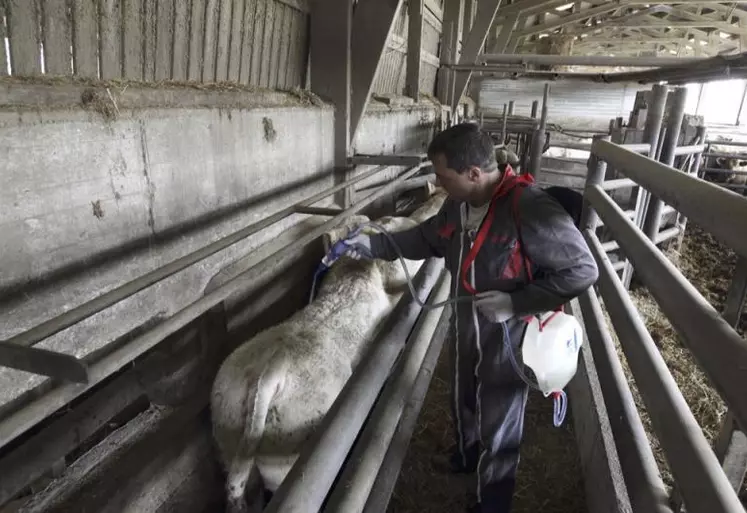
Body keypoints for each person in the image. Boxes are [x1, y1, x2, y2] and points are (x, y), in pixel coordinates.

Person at [342, 123, 598, 513]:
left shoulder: (528, 207)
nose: (439, 184)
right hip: (467, 323)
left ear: (474, 174)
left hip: (509, 336)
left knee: (500, 417)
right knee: (463, 393)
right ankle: (465, 456)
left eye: (444, 177)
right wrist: (374, 244)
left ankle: (492, 502)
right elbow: (427, 238)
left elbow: (582, 269)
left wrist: (517, 303)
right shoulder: (458, 204)